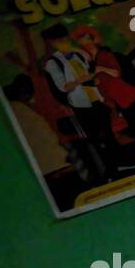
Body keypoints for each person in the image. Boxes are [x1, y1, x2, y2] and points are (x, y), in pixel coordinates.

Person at [70, 25, 135, 166]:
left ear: (92, 40)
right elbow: (100, 80)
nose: (84, 44)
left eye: (85, 39)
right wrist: (87, 81)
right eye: (81, 41)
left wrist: (100, 69)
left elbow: (116, 73)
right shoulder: (93, 61)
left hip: (124, 95)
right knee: (134, 126)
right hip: (114, 98)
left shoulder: (105, 56)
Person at [41, 24, 115, 176]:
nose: (64, 41)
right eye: (59, 40)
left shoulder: (77, 55)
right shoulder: (52, 64)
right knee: (95, 141)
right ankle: (106, 172)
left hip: (96, 100)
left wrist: (93, 81)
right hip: (81, 105)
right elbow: (63, 87)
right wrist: (82, 80)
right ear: (52, 42)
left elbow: (89, 72)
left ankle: (116, 167)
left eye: (65, 38)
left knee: (109, 136)